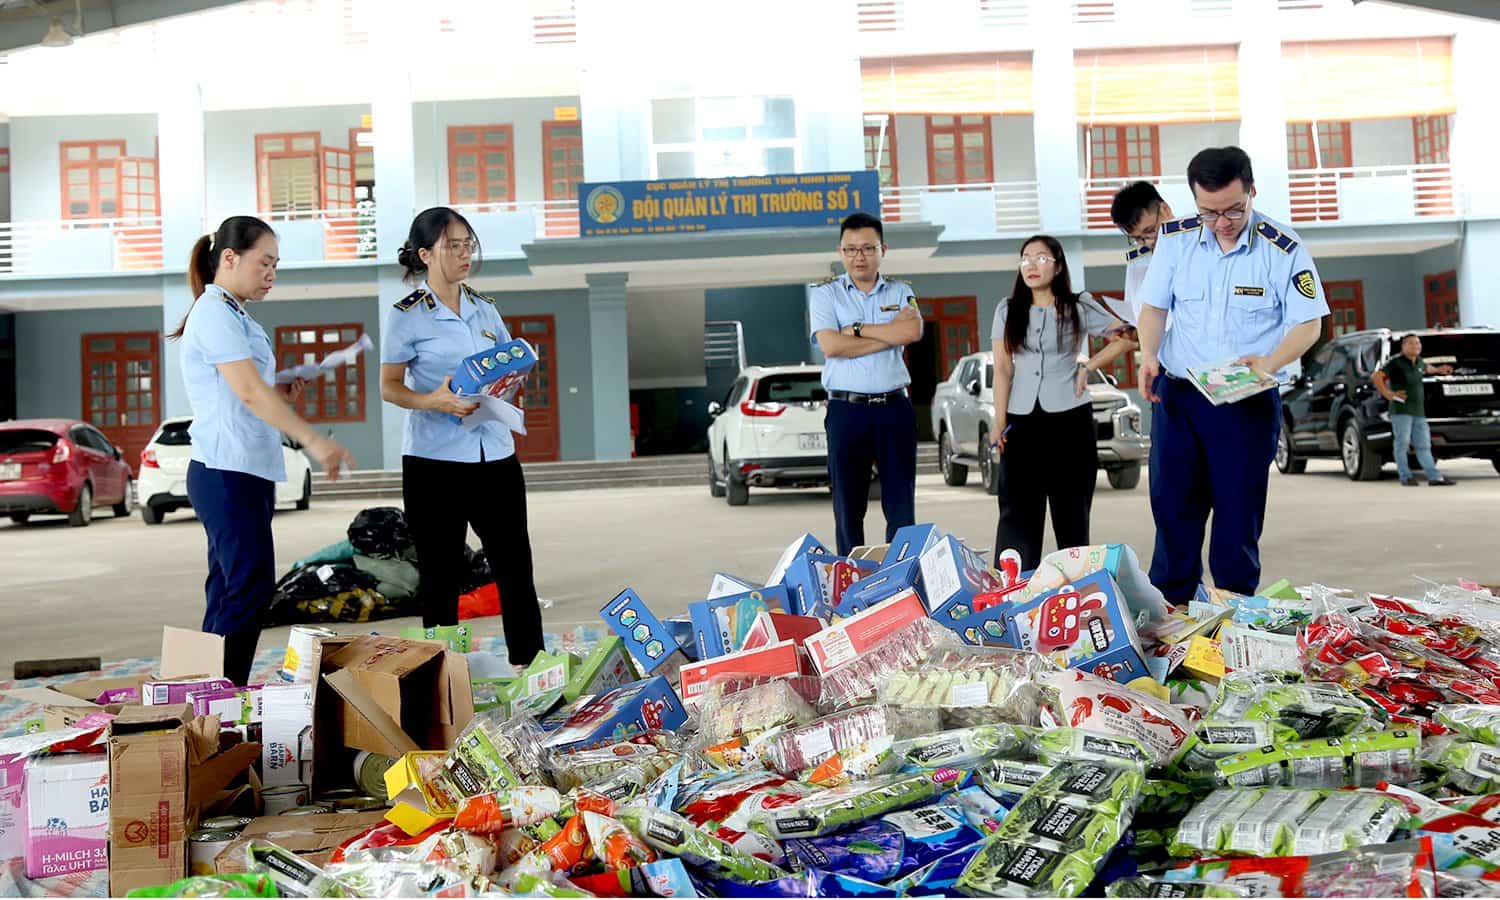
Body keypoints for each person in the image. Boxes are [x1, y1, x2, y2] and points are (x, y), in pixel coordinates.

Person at [1136, 146, 1329, 606]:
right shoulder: (1176, 240)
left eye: (1233, 210)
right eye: (1209, 212)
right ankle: (1172, 611)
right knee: (1172, 507)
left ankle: (1233, 615)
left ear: (1252, 191)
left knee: (1237, 515)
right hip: (1180, 396)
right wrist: (1147, 355)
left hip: (1247, 401)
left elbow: (1309, 323)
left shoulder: (1283, 247)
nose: (1222, 222)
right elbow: (1154, 307)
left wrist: (1268, 362)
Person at [172, 216, 354, 686]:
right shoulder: (213, 312)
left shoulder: (234, 314)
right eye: (264, 262)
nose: (271, 273)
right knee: (248, 593)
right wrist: (313, 440)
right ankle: (221, 699)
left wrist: (279, 386)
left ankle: (207, 696)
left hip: (244, 470)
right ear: (229, 258)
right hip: (225, 471)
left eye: (276, 265)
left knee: (231, 590)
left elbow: (248, 389)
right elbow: (248, 392)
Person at [379, 207, 545, 667]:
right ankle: (442, 674)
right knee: (441, 574)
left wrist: (512, 382)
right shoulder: (407, 316)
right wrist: (437, 401)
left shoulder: (485, 307)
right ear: (425, 254)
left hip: (495, 454)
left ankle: (531, 666)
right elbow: (389, 387)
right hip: (435, 462)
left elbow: (506, 363)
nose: (464, 253)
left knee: (515, 566)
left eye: (467, 243)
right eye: (453, 245)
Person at [991, 235, 1132, 570]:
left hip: (1070, 420)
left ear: (1057, 265)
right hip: (1021, 420)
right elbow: (1002, 368)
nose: (1031, 265)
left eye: (1041, 258)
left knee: (1072, 511)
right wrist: (999, 422)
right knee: (1016, 513)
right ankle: (1014, 594)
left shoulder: (1078, 305)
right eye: (1025, 258)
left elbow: (1128, 335)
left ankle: (1076, 594)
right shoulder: (1007, 309)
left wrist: (1090, 365)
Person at [809, 212, 923, 556]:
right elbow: (831, 346)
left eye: (868, 248)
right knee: (848, 504)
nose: (860, 256)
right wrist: (889, 336)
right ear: (841, 252)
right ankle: (850, 577)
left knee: (901, 502)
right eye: (851, 249)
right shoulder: (826, 295)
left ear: (882, 249)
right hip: (847, 410)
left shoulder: (902, 291)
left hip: (895, 409)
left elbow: (913, 331)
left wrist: (856, 330)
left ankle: (902, 574)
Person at [1373, 333, 1457, 486]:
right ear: (1403, 346)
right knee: (1402, 444)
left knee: (1424, 445)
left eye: (1418, 343)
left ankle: (1434, 477)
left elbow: (1426, 368)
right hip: (1401, 411)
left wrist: (1439, 370)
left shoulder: (1419, 362)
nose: (1416, 346)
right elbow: (1377, 376)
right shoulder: (1395, 362)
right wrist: (1387, 393)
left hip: (1418, 412)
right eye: (1411, 343)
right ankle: (1405, 476)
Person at [1110, 180, 1174, 325]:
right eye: (1138, 238)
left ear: (1165, 209)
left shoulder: (1198, 244)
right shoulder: (1138, 261)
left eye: (1150, 231)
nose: (1149, 242)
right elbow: (1134, 309)